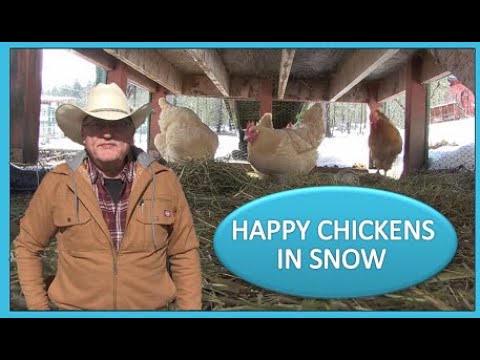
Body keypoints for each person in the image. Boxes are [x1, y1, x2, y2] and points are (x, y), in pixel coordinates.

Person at [13, 83, 202, 310]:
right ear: (83, 134)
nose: (107, 133)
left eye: (118, 125)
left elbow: (184, 252)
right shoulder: (58, 182)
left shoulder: (163, 180)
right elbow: (28, 246)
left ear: (132, 132)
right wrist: (39, 309)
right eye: (96, 125)